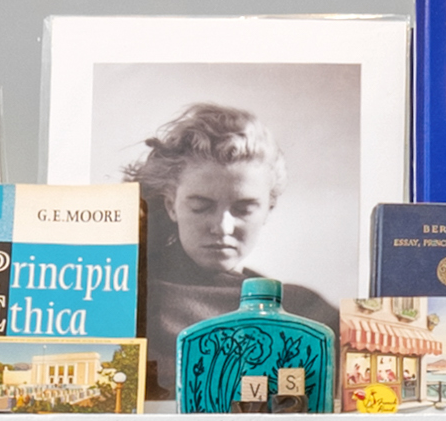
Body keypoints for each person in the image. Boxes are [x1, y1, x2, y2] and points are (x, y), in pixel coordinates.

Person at [126, 102, 338, 399]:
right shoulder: (130, 299)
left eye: (244, 208)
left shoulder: (305, 309)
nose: (223, 227)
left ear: (268, 209)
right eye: (201, 207)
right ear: (171, 205)